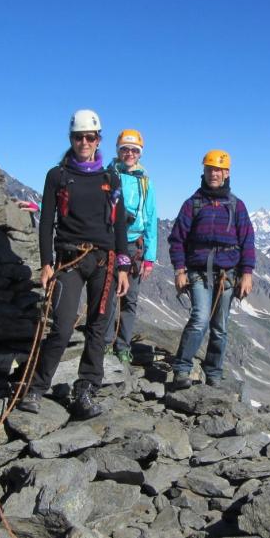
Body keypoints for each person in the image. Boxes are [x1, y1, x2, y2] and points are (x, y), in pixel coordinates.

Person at [19, 109, 130, 417]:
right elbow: (46, 222)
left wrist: (123, 266)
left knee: (97, 327)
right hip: (69, 259)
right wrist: (46, 263)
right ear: (71, 139)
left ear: (98, 140)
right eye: (79, 137)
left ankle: (86, 390)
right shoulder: (58, 175)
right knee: (63, 325)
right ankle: (37, 388)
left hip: (104, 262)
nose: (84, 142)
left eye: (90, 137)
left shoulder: (111, 178)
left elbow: (119, 225)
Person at [167, 149, 255, 390]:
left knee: (221, 327)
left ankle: (214, 372)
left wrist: (246, 273)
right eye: (209, 169)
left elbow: (248, 241)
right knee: (199, 319)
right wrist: (179, 270)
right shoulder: (192, 204)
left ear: (226, 173)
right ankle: (182, 368)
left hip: (227, 275)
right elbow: (177, 240)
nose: (213, 173)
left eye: (217, 169)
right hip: (198, 273)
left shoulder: (237, 206)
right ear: (203, 172)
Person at [103, 129, 158, 367]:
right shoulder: (106, 175)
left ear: (140, 154)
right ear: (118, 151)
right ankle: (105, 342)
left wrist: (149, 257)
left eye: (134, 150)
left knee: (130, 299)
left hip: (134, 245)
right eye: (125, 149)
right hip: (110, 241)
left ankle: (122, 346)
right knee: (108, 295)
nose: (129, 154)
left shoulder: (145, 182)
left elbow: (151, 219)